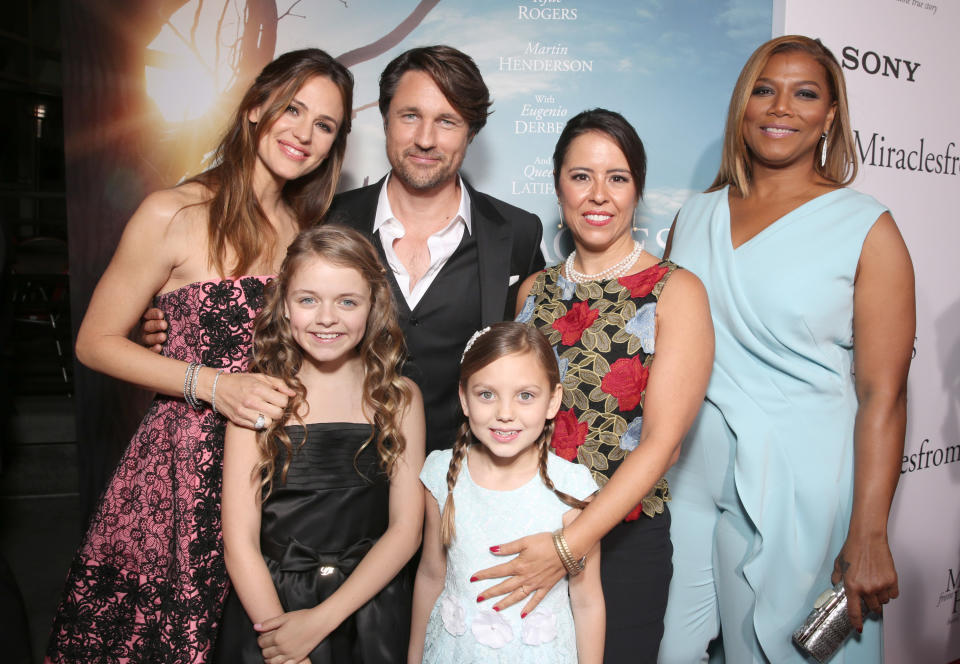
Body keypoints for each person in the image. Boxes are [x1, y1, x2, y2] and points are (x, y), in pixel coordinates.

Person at [45, 49, 354, 663]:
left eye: (325, 125)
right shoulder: (175, 210)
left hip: (275, 474)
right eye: (293, 109)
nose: (304, 133)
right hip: (180, 473)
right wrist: (212, 384)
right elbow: (94, 341)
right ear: (254, 108)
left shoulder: (301, 231)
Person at [658, 35, 914, 663]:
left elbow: (884, 392)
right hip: (684, 478)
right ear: (743, 104)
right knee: (668, 649)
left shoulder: (868, 228)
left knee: (770, 653)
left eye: (805, 94)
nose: (781, 108)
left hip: (800, 485)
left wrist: (871, 531)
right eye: (765, 90)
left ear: (830, 115)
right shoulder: (693, 216)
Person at [472, 109, 715, 663]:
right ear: (558, 184)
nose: (598, 195)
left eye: (618, 177)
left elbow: (663, 443)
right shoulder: (533, 291)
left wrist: (568, 548)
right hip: (526, 533)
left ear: (638, 191)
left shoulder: (675, 292)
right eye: (581, 176)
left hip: (623, 546)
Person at [216, 225, 425, 663]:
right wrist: (282, 646)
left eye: (346, 302)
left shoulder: (399, 397)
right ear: (284, 307)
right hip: (271, 610)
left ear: (373, 307)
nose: (326, 318)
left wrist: (322, 620)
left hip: (367, 609)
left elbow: (406, 530)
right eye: (308, 300)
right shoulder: (258, 398)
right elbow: (240, 544)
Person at [324, 46, 546, 454]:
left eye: (447, 121)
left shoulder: (518, 232)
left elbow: (533, 364)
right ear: (386, 120)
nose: (425, 139)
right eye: (410, 116)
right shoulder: (328, 220)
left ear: (471, 133)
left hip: (464, 481)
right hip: (342, 478)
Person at [410, 322, 604, 664]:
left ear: (552, 400)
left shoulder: (573, 490)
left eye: (525, 395)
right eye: (486, 394)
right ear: (464, 399)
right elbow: (430, 574)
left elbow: (587, 600)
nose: (504, 413)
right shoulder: (441, 475)